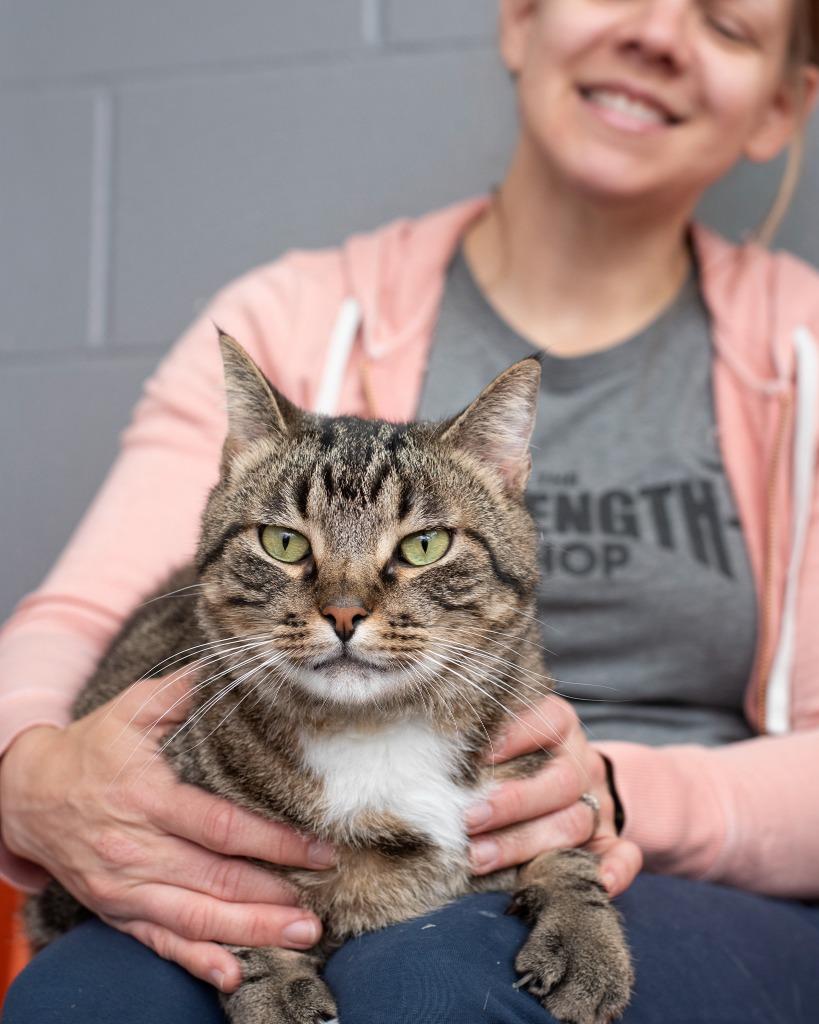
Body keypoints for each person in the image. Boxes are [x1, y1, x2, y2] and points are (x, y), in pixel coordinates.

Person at [3, 1, 819, 1021]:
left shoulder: (805, 341)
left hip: (666, 865)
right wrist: (28, 773)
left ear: (782, 106)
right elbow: (77, 620)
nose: (657, 33)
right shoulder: (289, 313)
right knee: (82, 999)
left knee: (426, 984)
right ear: (520, 19)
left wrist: (611, 795)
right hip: (280, 761)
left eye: (728, 23)